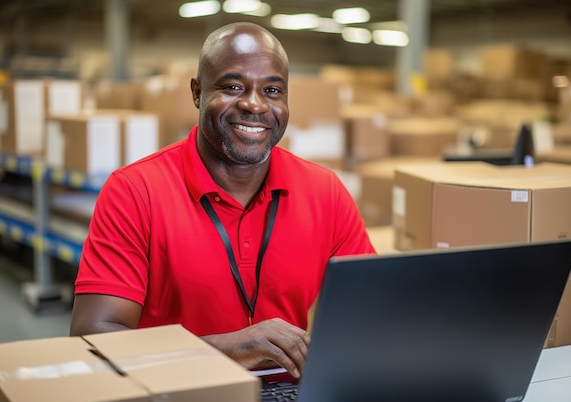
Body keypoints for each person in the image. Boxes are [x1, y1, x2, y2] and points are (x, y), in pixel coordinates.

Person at [70, 22, 376, 379]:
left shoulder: (325, 192)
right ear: (197, 93)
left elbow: (371, 312)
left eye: (273, 90)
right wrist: (231, 348)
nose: (254, 104)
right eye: (233, 86)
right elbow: (92, 339)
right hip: (180, 391)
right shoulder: (135, 192)